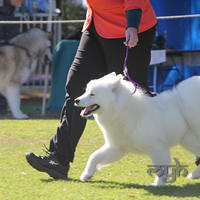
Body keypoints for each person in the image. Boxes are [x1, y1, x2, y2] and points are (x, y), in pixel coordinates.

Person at [26, 0, 157, 179]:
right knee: (76, 87)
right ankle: (58, 159)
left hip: (130, 27)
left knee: (140, 96)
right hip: (96, 26)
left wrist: (132, 25)